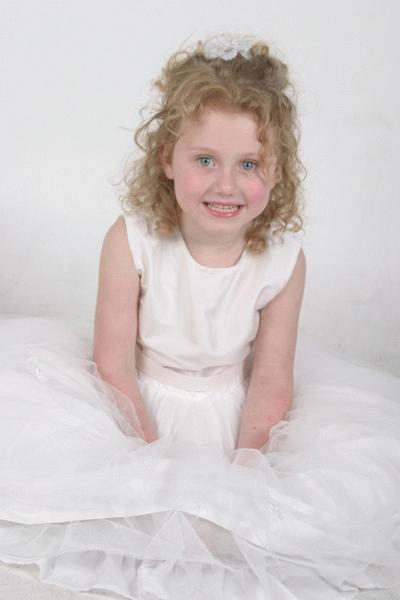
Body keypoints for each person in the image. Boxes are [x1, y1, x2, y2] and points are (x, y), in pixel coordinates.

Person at [0, 34, 399, 600]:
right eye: (205, 159)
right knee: (105, 508)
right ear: (167, 157)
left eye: (249, 164)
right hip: (133, 401)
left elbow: (271, 378)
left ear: (277, 171)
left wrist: (247, 478)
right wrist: (147, 462)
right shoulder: (131, 239)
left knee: (271, 528)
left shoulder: (283, 260)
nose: (226, 184)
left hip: (234, 412)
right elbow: (113, 362)